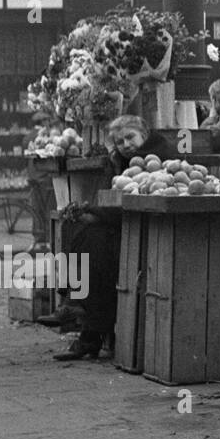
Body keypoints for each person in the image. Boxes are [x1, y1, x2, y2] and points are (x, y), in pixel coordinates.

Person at [53, 116, 177, 362]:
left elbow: (138, 202)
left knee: (95, 247)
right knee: (84, 236)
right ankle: (80, 314)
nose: (126, 144)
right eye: (120, 141)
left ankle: (84, 323)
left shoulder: (159, 156)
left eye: (131, 137)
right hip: (125, 226)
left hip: (149, 229)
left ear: (144, 133)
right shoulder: (120, 161)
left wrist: (94, 212)